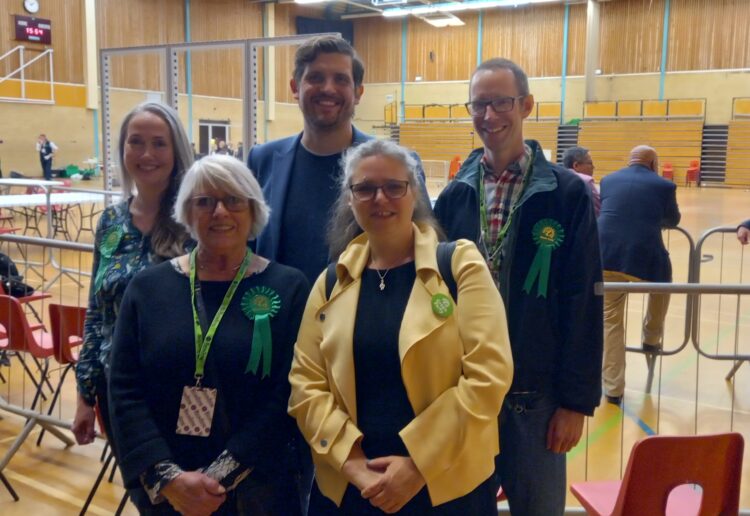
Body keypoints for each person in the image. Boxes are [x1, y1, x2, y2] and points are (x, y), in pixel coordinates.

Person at [288, 139, 513, 515]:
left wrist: (417, 464)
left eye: (394, 187)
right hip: (353, 490)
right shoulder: (330, 282)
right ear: (350, 198)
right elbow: (305, 384)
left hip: (445, 486)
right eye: (365, 188)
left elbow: (489, 374)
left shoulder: (459, 266)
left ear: (414, 193)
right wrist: (353, 465)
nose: (381, 199)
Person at [433, 58, 603, 516]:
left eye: (502, 102)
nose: (490, 116)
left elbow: (582, 299)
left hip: (537, 400)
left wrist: (575, 402)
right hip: (466, 395)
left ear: (526, 105)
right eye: (479, 104)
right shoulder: (454, 197)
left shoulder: (566, 194)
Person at [108, 154, 310, 515]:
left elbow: (289, 389)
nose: (220, 212)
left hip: (257, 488)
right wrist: (167, 478)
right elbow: (123, 387)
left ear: (253, 211)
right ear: (187, 212)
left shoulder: (288, 287)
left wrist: (220, 476)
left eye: (233, 200)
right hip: (169, 493)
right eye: (205, 201)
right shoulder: (147, 288)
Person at [247, 34, 429, 285]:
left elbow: (425, 249)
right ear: (294, 88)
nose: (328, 88)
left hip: (365, 319)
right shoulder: (262, 160)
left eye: (341, 79)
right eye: (315, 77)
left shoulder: (400, 165)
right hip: (278, 317)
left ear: (358, 93)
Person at [73, 102, 193, 448]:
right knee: (144, 494)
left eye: (159, 143)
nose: (146, 154)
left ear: (176, 150)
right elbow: (97, 313)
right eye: (135, 142)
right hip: (119, 390)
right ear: (123, 149)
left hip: (181, 388)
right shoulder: (110, 222)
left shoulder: (197, 219)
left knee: (184, 493)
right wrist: (85, 394)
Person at [598, 145, 681, 405]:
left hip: (606, 255)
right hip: (644, 257)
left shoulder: (609, 179)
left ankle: (613, 388)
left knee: (610, 320)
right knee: (663, 286)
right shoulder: (664, 186)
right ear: (654, 164)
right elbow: (673, 220)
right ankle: (651, 337)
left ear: (629, 160)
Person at [562, 146, 600, 217]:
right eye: (590, 163)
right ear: (576, 165)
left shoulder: (557, 178)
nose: (593, 167)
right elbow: (598, 210)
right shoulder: (585, 181)